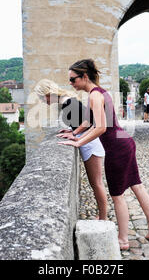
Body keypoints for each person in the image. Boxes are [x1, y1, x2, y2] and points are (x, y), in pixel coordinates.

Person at [58, 59, 149, 251]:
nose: (71, 84)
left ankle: (123, 240)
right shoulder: (99, 92)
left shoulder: (95, 96)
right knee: (136, 185)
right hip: (126, 142)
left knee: (117, 195)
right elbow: (88, 121)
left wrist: (78, 142)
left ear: (84, 76)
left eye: (73, 80)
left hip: (116, 148)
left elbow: (101, 127)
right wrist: (74, 133)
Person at [34, 79, 108, 220]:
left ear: (48, 94)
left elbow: (90, 122)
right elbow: (83, 121)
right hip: (88, 142)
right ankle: (102, 215)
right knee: (96, 183)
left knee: (96, 184)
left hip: (90, 144)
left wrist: (75, 135)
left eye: (41, 97)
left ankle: (103, 218)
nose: (42, 101)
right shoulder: (67, 101)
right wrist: (72, 130)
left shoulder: (68, 103)